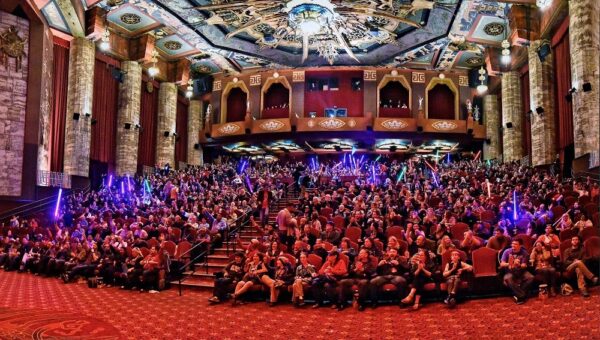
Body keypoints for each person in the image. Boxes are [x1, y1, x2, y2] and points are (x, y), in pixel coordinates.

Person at [500, 239, 534, 304]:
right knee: (508, 278)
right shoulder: (507, 252)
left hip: (521, 272)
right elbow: (502, 264)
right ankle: (522, 295)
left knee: (531, 277)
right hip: (510, 272)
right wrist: (512, 263)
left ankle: (518, 294)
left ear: (520, 246)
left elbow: (524, 265)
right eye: (512, 244)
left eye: (515, 244)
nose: (513, 245)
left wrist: (520, 265)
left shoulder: (524, 253)